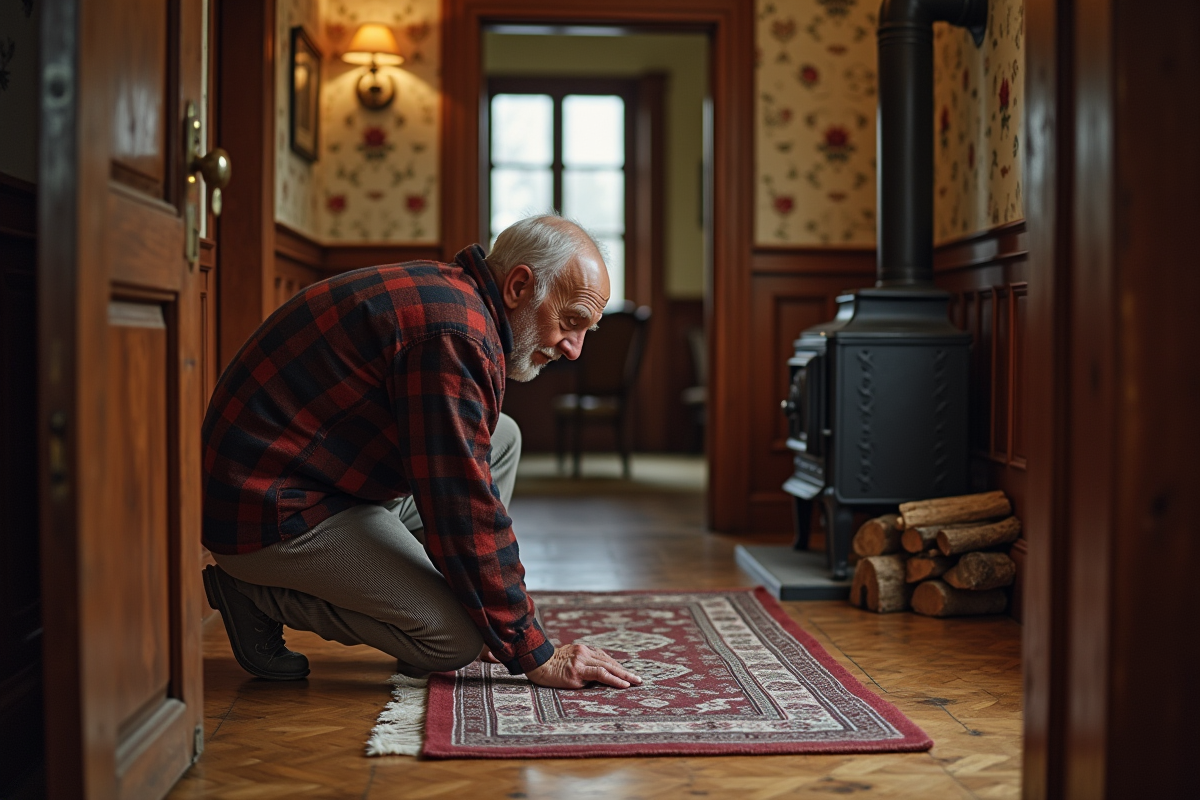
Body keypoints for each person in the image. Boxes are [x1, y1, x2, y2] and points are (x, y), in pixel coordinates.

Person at [199, 214, 641, 691]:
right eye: (570, 322)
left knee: (504, 436)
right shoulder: (456, 335)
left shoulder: (459, 301)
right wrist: (531, 649)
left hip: (329, 480)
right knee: (455, 640)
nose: (574, 349)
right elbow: (464, 507)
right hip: (267, 512)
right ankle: (253, 594)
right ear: (518, 287)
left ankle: (433, 606)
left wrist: (488, 610)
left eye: (586, 331)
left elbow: (457, 482)